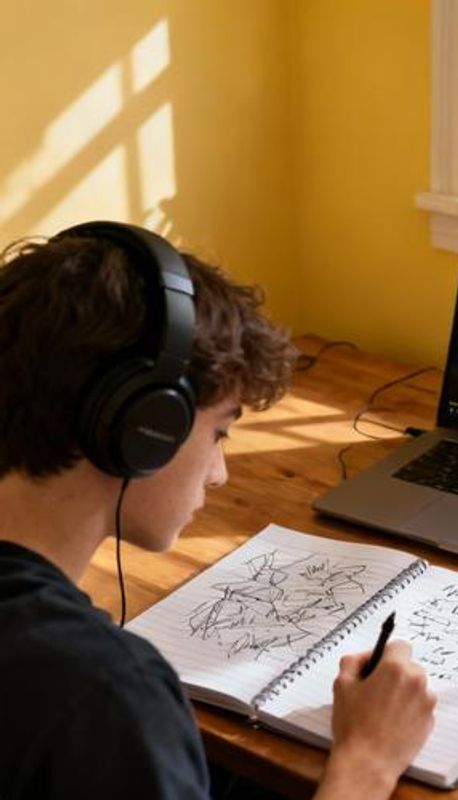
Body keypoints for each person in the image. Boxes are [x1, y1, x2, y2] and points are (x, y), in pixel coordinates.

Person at [0, 224, 436, 800]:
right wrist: (368, 760)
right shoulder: (104, 699)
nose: (220, 473)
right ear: (144, 429)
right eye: (220, 432)